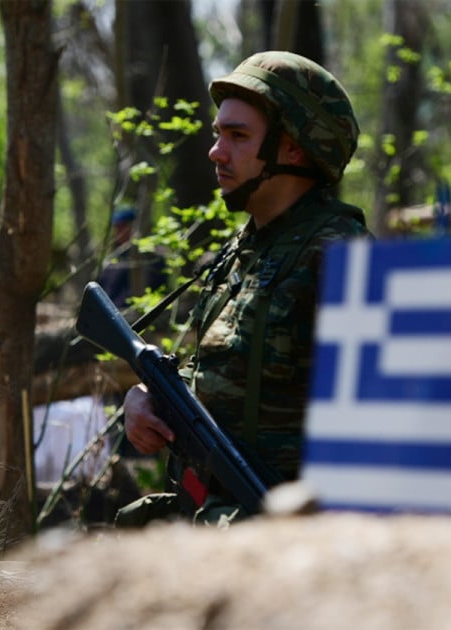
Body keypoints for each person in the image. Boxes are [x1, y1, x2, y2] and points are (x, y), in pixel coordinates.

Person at [116, 51, 370, 527]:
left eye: (237, 136)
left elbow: (375, 429)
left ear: (293, 149)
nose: (215, 151)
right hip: (209, 517)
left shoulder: (338, 255)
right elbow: (216, 375)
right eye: (218, 134)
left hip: (289, 539)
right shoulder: (242, 250)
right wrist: (145, 398)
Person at [94, 207, 167, 309]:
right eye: (117, 228)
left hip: (135, 315)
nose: (118, 232)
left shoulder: (151, 258)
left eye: (123, 227)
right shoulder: (113, 258)